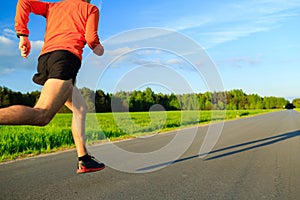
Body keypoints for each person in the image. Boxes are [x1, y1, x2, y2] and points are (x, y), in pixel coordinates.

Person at [0, 0, 105, 174]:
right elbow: (91, 38)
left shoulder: (52, 6)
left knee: (80, 108)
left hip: (47, 59)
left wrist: (23, 35)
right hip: (65, 59)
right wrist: (98, 49)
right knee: (43, 114)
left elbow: (24, 2)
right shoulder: (90, 9)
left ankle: (84, 159)